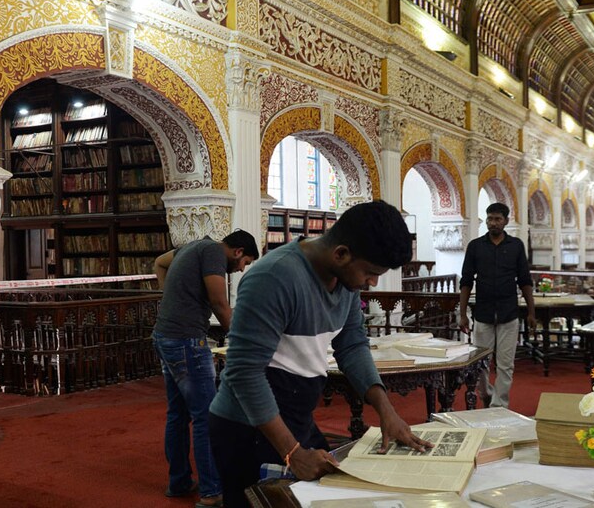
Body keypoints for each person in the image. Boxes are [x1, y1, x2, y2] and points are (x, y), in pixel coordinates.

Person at [208, 201, 432, 508]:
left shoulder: (345, 279)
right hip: (247, 427)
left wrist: (386, 409)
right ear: (341, 253)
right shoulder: (273, 278)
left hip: (295, 414)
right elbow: (244, 374)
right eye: (370, 272)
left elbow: (352, 343)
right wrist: (292, 453)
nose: (372, 282)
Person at [152, 230, 259, 507]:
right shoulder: (213, 253)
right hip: (186, 340)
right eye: (244, 262)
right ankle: (212, 493)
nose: (241, 268)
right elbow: (219, 303)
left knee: (177, 414)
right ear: (237, 252)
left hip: (165, 335)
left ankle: (179, 482)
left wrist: (172, 300)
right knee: (205, 417)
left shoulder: (194, 246)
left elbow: (159, 263)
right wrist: (241, 342)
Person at [458, 202, 535, 409]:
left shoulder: (516, 246)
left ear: (506, 221)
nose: (493, 223)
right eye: (490, 219)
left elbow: (525, 280)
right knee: (480, 362)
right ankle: (486, 393)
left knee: (505, 364)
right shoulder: (475, 246)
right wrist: (462, 313)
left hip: (508, 313)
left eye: (498, 219)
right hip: (482, 313)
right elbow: (466, 281)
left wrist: (531, 311)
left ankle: (499, 405)